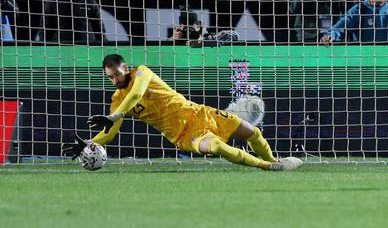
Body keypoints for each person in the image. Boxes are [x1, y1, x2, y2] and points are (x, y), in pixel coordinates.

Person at [62, 54, 303, 171]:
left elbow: (136, 94)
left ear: (125, 67)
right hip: (183, 135)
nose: (114, 79)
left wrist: (115, 115)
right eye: (110, 77)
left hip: (198, 113)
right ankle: (268, 167)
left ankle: (274, 162)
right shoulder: (116, 101)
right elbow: (110, 133)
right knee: (217, 147)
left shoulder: (142, 73)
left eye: (117, 74)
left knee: (252, 133)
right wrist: (89, 143)